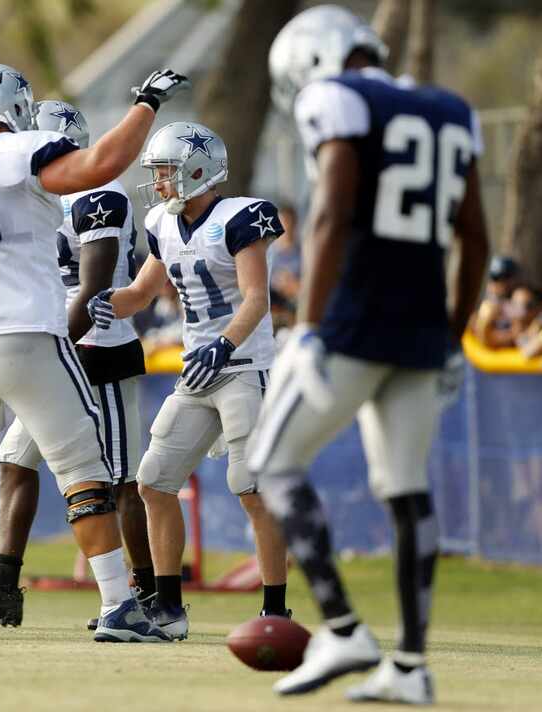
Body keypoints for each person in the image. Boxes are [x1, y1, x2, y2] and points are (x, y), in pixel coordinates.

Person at [0, 64, 189, 642]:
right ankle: (121, 607)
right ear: (15, 106)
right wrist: (146, 104)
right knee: (84, 470)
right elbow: (100, 166)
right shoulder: (28, 149)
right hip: (23, 332)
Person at [248, 5, 489, 704]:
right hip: (421, 330)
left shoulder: (338, 97)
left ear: (314, 62)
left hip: (354, 319)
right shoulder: (451, 108)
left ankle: (346, 628)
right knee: (406, 489)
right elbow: (473, 236)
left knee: (273, 462)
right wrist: (454, 331)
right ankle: (411, 666)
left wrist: (314, 323)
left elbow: (332, 210)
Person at [0, 100, 156, 632]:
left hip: (98, 348)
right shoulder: (39, 198)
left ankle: (148, 597)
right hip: (54, 348)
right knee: (14, 462)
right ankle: (3, 587)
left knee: (120, 481)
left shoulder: (98, 194)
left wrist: (51, 344)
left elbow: (94, 284)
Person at [88, 121, 291, 640]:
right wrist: (103, 305)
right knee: (154, 482)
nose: (158, 183)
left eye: (165, 172)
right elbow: (141, 294)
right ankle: (169, 610)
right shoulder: (161, 222)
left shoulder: (240, 217)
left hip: (243, 367)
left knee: (251, 488)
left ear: (197, 172)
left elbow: (255, 298)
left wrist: (225, 345)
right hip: (198, 373)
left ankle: (275, 610)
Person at [471, 255, 519, 348]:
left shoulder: (511, 301)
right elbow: (484, 337)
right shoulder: (487, 306)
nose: (497, 284)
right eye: (495, 279)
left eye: (504, 279)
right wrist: (513, 336)